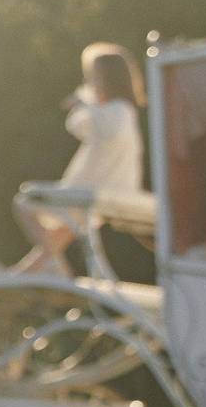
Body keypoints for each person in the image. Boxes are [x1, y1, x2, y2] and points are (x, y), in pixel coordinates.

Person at [14, 43, 146, 274]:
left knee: (24, 203)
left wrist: (86, 105)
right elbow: (78, 126)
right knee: (57, 236)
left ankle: (54, 267)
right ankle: (23, 275)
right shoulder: (115, 112)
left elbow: (105, 128)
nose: (91, 84)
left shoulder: (119, 111)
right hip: (94, 191)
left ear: (110, 79)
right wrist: (86, 107)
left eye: (95, 77)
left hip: (95, 191)